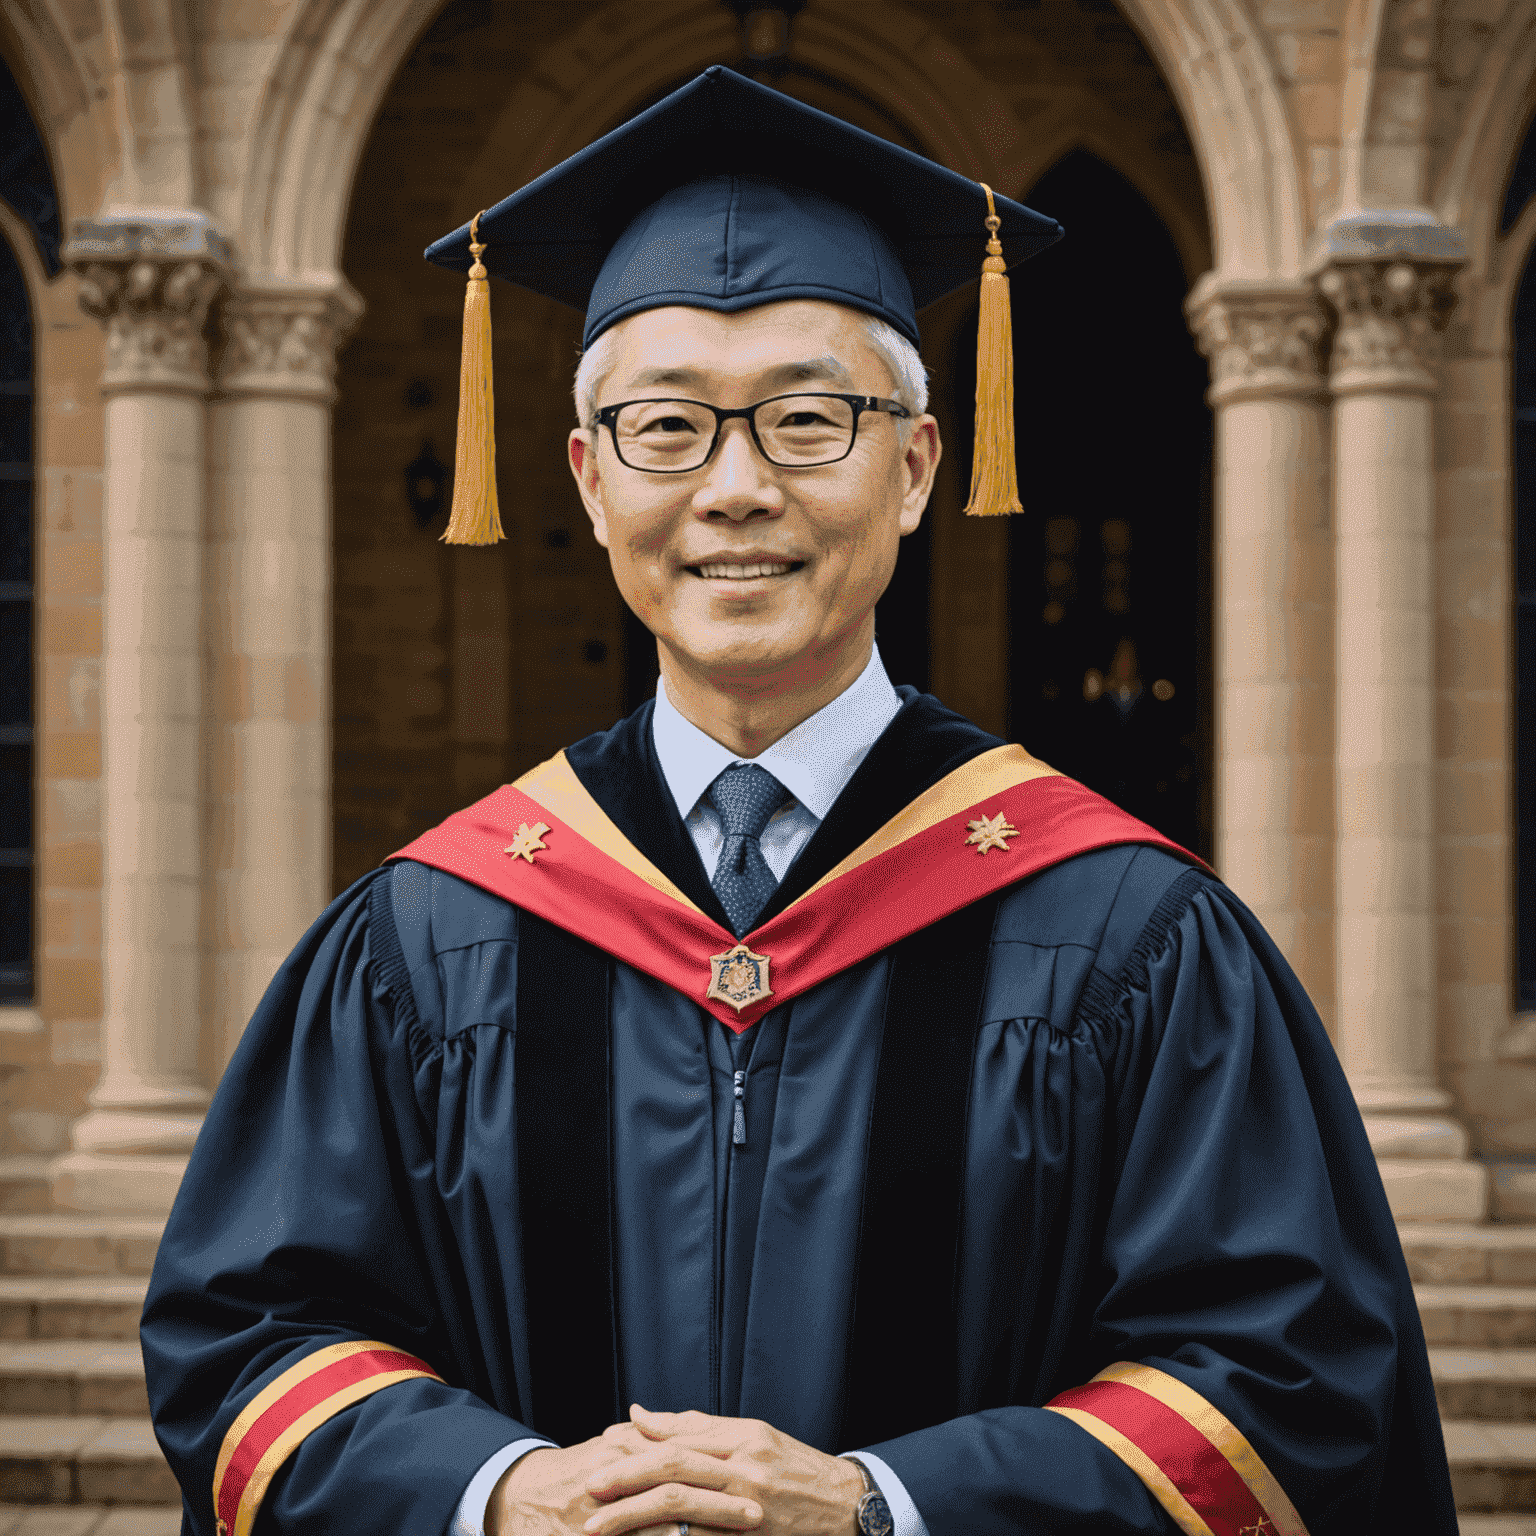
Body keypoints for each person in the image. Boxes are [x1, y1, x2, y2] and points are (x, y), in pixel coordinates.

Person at [141, 66, 1457, 1536]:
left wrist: (889, 1507)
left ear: (916, 466)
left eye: (808, 420)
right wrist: (497, 1491)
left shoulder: (1125, 930)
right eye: (667, 427)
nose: (736, 487)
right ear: (586, 479)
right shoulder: (429, 937)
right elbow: (248, 1339)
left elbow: (1288, 1379)